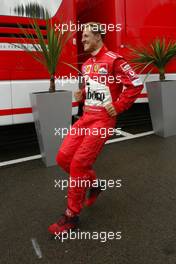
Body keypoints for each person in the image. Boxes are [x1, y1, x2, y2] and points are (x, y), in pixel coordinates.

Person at [48, 22, 143, 235]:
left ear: (99, 37)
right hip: (86, 117)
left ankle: (71, 216)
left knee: (79, 165)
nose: (82, 40)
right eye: (82, 37)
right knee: (63, 158)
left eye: (86, 36)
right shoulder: (87, 64)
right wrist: (82, 94)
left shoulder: (115, 60)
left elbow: (135, 85)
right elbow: (91, 86)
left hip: (102, 121)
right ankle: (95, 184)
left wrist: (117, 106)